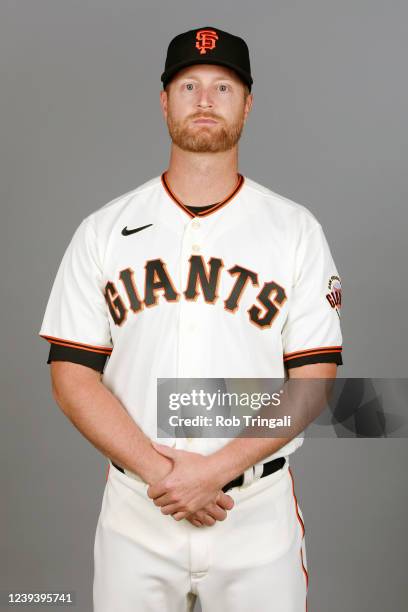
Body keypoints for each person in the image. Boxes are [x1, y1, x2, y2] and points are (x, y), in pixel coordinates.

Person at [39, 25, 343, 612]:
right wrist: (165, 473)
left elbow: (313, 383)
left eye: (223, 87)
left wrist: (216, 472)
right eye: (188, 86)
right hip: (138, 510)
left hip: (255, 513)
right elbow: (71, 376)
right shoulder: (103, 230)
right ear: (164, 102)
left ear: (248, 105)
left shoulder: (295, 230)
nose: (205, 100)